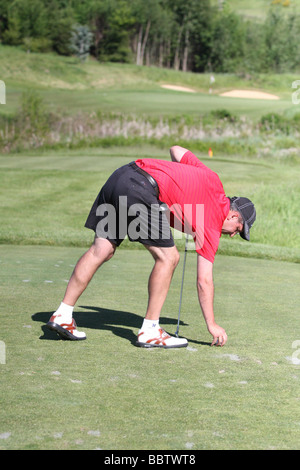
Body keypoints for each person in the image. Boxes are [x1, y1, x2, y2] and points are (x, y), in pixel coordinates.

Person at [47, 146, 256, 348]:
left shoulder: (212, 178)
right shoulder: (212, 223)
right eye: (238, 229)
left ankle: (63, 315)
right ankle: (150, 330)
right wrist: (211, 324)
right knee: (169, 257)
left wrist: (180, 179)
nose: (233, 234)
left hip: (121, 176)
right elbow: (204, 281)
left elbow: (176, 149)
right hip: (141, 189)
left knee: (101, 250)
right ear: (233, 215)